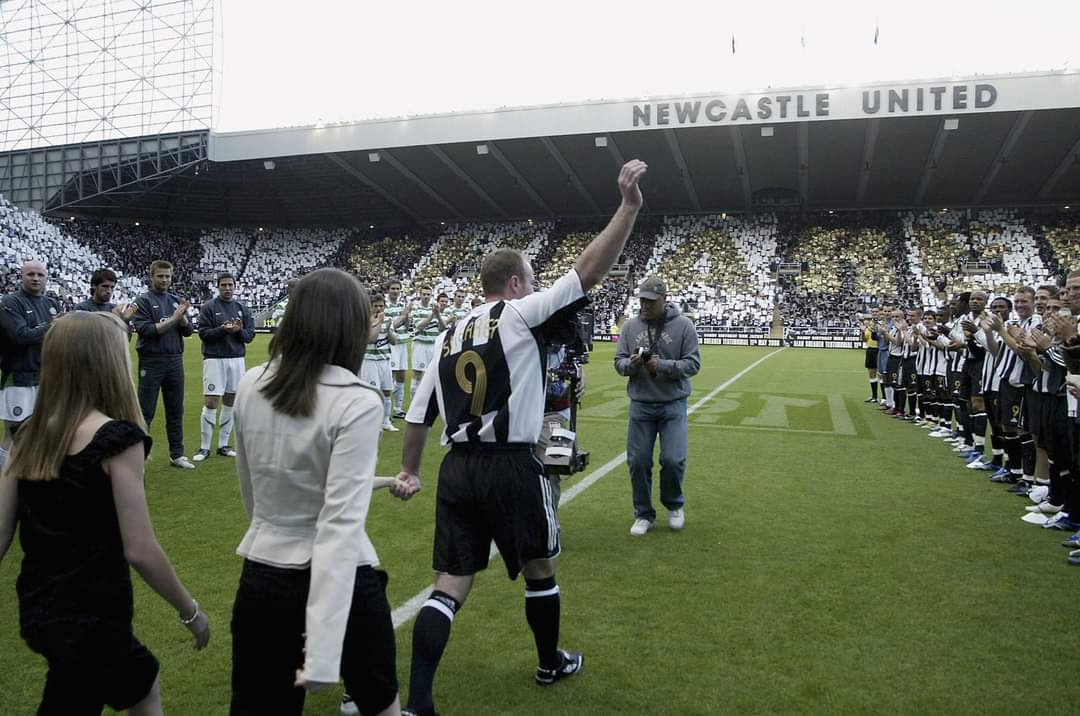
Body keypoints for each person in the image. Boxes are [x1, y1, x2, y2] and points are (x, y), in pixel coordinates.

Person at [397, 159, 648, 716]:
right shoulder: (517, 314)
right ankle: (549, 660)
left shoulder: (448, 332)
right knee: (539, 568)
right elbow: (587, 272)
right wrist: (627, 208)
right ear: (515, 284)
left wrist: (411, 470)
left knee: (450, 583)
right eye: (531, 281)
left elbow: (419, 414)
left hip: (457, 468)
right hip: (512, 464)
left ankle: (417, 703)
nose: (536, 289)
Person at [0, 311, 210, 714]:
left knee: (99, 688)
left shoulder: (28, 433)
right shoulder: (117, 439)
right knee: (133, 685)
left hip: (41, 607)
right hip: (93, 613)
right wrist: (190, 611)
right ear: (109, 362)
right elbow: (141, 549)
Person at [229, 268, 415, 716]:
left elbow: (253, 488)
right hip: (341, 581)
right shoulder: (357, 400)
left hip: (262, 574)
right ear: (348, 327)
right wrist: (325, 648)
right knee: (381, 705)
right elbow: (338, 526)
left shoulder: (253, 383)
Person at [614, 275, 701, 536]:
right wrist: (632, 364)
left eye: (651, 301)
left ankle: (674, 505)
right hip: (641, 404)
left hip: (672, 404)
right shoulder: (630, 327)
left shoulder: (684, 326)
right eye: (642, 300)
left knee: (673, 459)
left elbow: (693, 364)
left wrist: (662, 365)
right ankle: (643, 513)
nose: (645, 305)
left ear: (664, 299)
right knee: (638, 462)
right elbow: (618, 363)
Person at [132, 260, 195, 469]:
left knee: (176, 409)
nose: (164, 280)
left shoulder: (175, 300)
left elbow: (188, 331)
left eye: (168, 276)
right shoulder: (143, 301)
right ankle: (137, 455)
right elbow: (147, 331)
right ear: (151, 277)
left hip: (174, 360)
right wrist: (175, 318)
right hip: (152, 361)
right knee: (145, 411)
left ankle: (177, 454)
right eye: (160, 276)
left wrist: (182, 318)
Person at [194, 273, 255, 462]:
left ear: (235, 286)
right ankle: (204, 448)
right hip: (214, 359)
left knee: (230, 401)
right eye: (223, 285)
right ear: (217, 287)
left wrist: (237, 332)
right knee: (211, 401)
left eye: (230, 285)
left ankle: (223, 445)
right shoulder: (209, 307)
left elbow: (249, 336)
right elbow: (203, 334)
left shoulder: (242, 308)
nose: (227, 288)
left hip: (236, 359)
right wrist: (223, 330)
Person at [0, 261, 62, 434]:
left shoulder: (52, 303)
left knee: (42, 432)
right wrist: (52, 326)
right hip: (18, 377)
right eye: (31, 274)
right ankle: (7, 462)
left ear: (47, 279)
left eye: (40, 275)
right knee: (16, 434)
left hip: (45, 377)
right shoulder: (10, 302)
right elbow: (20, 336)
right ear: (21, 277)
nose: (36, 278)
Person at [360, 292, 400, 432]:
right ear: (370, 307)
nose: (378, 309)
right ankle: (372, 422)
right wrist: (378, 323)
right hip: (370, 360)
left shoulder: (388, 320)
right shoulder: (365, 320)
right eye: (375, 306)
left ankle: (385, 421)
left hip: (385, 359)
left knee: (387, 391)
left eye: (381, 306)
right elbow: (371, 339)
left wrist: (389, 329)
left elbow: (394, 341)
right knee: (373, 392)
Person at [409, 286, 443, 403]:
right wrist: (432, 315)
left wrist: (438, 315)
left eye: (428, 294)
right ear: (420, 294)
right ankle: (414, 403)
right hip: (420, 344)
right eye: (424, 294)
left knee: (434, 375)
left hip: (434, 345)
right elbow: (419, 326)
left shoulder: (435, 308)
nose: (426, 297)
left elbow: (442, 328)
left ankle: (429, 404)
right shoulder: (416, 308)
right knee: (417, 374)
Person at [384, 280, 411, 418]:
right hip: (391, 344)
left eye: (398, 289)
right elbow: (390, 326)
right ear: (388, 290)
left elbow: (407, 326)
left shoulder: (402, 304)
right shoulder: (384, 305)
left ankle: (398, 408)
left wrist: (407, 317)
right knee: (391, 376)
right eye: (393, 288)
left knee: (402, 375)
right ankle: (386, 411)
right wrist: (402, 316)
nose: (395, 291)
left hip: (403, 343)